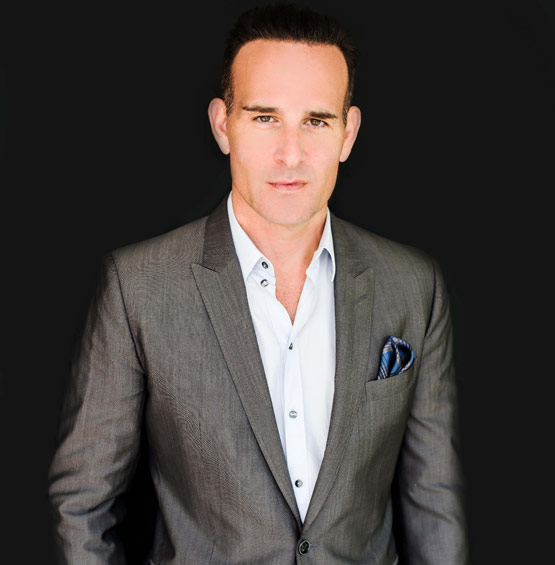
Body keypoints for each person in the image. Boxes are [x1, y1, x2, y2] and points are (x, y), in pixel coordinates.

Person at [48, 3, 468, 563]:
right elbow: (83, 504)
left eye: (316, 121)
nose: (291, 154)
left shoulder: (414, 285)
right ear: (223, 125)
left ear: (348, 134)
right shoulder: (137, 287)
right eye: (265, 117)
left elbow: (433, 501)